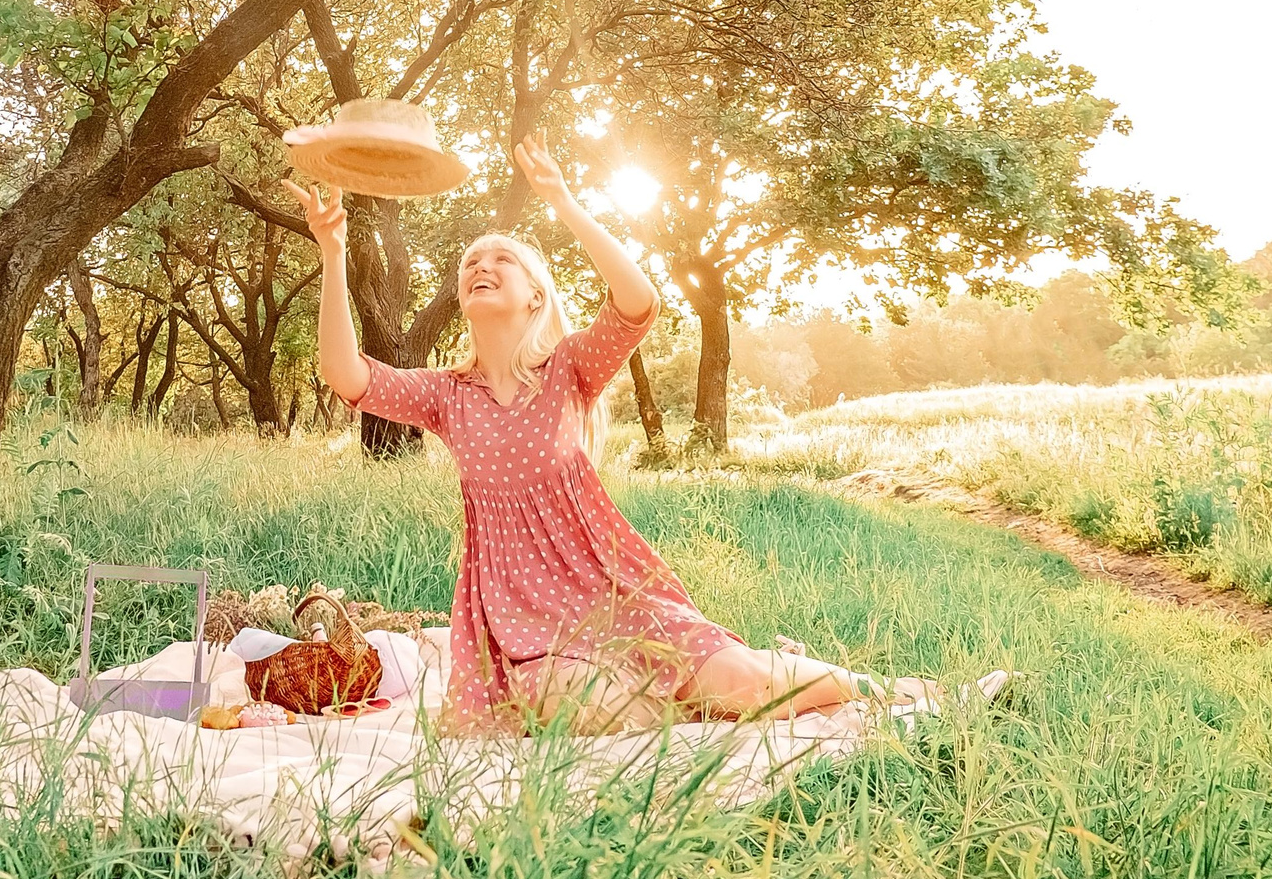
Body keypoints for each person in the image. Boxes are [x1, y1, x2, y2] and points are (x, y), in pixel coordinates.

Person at [289, 135, 881, 734]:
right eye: (470, 264)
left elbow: (637, 303)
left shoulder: (568, 368)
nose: (481, 266)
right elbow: (345, 373)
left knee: (740, 680)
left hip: (614, 595)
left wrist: (563, 202)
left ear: (536, 296)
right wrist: (333, 252)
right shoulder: (446, 394)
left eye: (501, 260)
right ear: (462, 297)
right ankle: (682, 711)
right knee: (577, 704)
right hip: (530, 624)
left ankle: (879, 691)